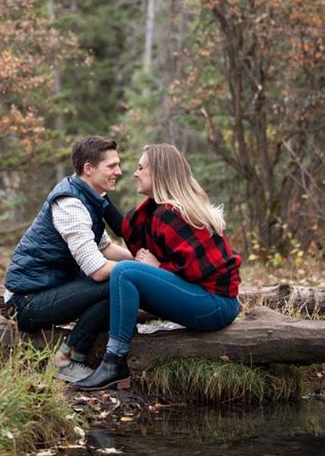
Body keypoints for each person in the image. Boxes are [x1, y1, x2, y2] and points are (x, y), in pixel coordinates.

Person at [74, 143, 242, 391]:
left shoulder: (173, 212)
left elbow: (197, 271)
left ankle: (114, 363)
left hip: (216, 305)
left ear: (159, 173)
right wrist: (98, 196)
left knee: (123, 271)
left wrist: (159, 267)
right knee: (125, 273)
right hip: (209, 300)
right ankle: (113, 351)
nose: (134, 172)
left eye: (141, 167)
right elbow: (127, 231)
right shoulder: (156, 208)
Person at [4, 135, 133, 383]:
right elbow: (97, 270)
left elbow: (104, 248)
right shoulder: (70, 204)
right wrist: (143, 272)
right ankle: (67, 360)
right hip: (27, 302)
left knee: (121, 278)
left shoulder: (88, 195)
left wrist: (142, 261)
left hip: (49, 289)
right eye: (111, 166)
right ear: (88, 169)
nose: (119, 171)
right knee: (116, 281)